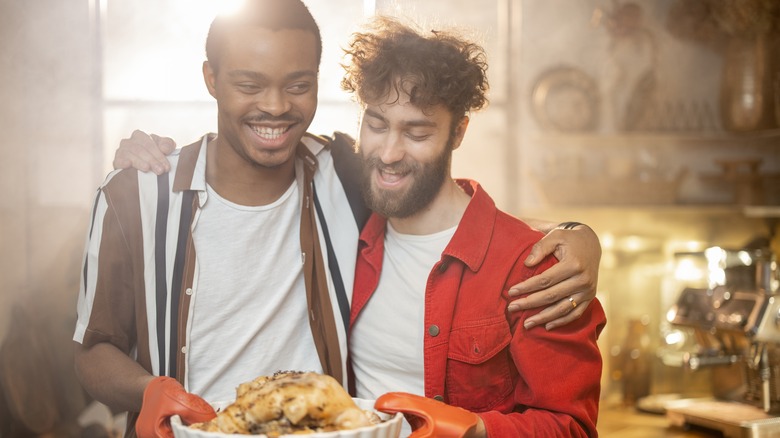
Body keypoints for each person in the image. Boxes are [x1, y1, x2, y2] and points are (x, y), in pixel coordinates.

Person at [75, 0, 601, 436]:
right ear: (211, 79)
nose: (275, 106)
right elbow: (92, 347)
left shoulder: (343, 178)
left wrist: (579, 236)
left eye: (298, 84)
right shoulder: (137, 195)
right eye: (249, 84)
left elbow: (466, 226)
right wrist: (148, 390)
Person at [339, 18, 606, 437]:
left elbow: (570, 427)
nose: (389, 153)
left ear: (458, 133)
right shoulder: (346, 225)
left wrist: (472, 429)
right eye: (376, 125)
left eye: (417, 131)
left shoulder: (534, 268)